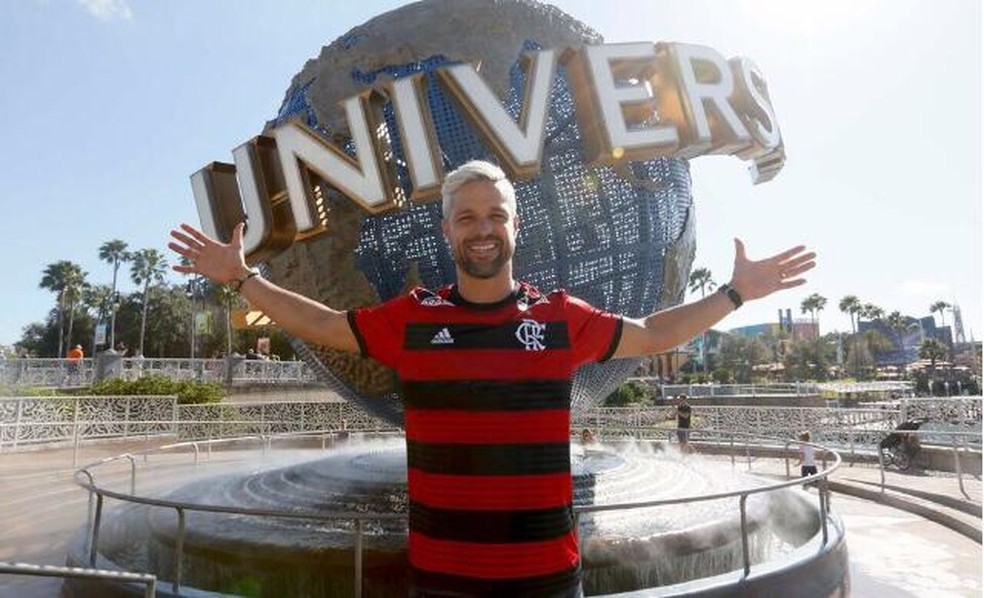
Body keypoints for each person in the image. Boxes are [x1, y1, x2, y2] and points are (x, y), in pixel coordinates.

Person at [169, 159, 815, 597]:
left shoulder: (560, 317)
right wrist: (244, 278)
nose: (483, 229)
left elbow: (652, 334)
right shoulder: (413, 320)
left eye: (495, 215)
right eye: (468, 217)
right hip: (445, 576)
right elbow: (327, 324)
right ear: (447, 228)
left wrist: (735, 293)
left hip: (548, 577)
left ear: (515, 225)